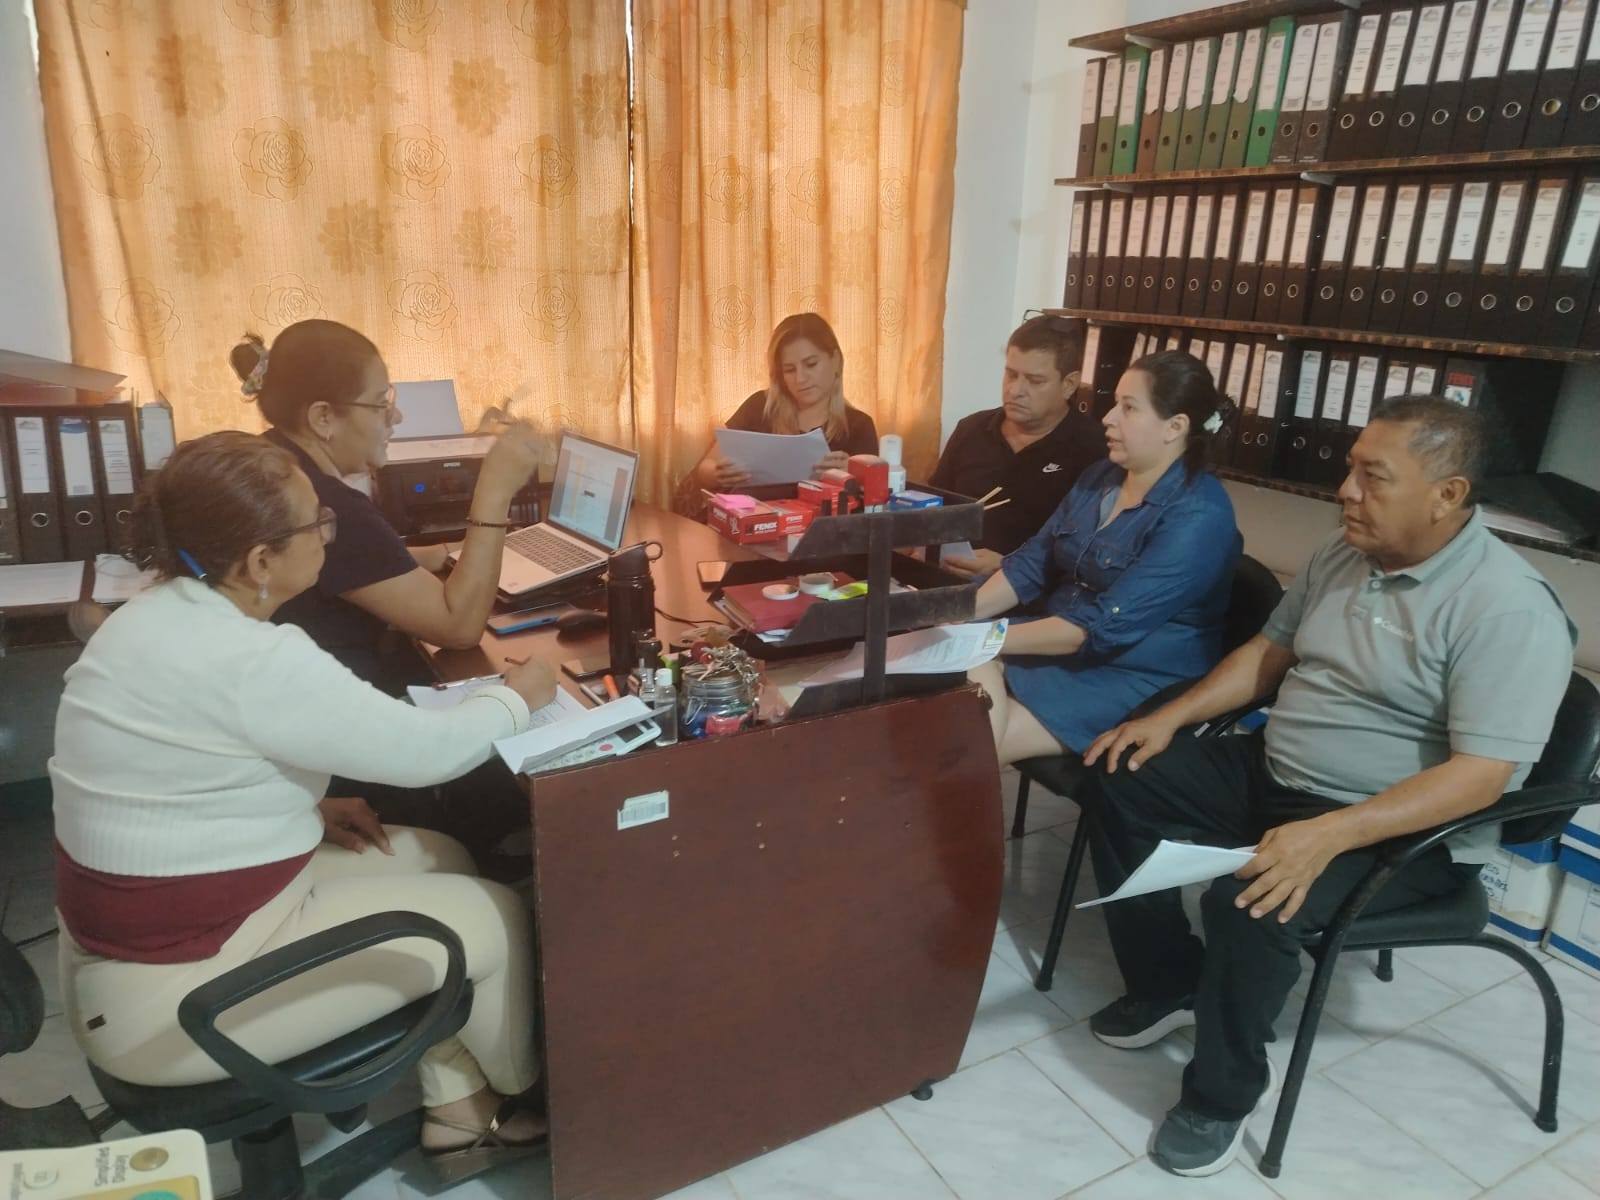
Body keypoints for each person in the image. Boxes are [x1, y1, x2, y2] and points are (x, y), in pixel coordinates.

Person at [1079, 395, 1576, 1179]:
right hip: (1276, 770)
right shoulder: (1344, 552)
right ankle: (1171, 981)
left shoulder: (1507, 607)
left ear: (1446, 494)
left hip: (1400, 829)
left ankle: (1218, 1098)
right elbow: (1267, 655)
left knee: (1249, 900)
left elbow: (1480, 777)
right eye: (1350, 469)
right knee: (1120, 772)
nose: (1346, 491)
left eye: (1374, 477)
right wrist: (1169, 719)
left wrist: (1332, 833)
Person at [50, 432, 558, 1174]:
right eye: (317, 522)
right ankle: (538, 1102)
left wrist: (306, 809)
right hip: (172, 1006)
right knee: (496, 916)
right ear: (261, 561)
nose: (329, 533)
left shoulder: (151, 615)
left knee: (438, 856)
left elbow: (171, 776)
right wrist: (519, 698)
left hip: (139, 950)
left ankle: (458, 1109)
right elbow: (429, 753)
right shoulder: (250, 658)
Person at [230, 320, 543, 694]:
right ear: (323, 417)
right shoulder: (326, 506)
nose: (396, 417)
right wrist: (494, 491)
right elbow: (459, 628)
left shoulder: (278, 459)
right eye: (380, 404)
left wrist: (441, 553)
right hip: (346, 704)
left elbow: (353, 562)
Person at [968, 350, 1241, 767]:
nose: (1108, 419)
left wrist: (980, 640)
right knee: (939, 710)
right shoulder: (1100, 477)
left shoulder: (1200, 516)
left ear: (1175, 427)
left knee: (952, 744)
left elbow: (1097, 629)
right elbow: (1032, 564)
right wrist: (959, 616)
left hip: (1128, 677)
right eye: (1115, 404)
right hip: (1059, 649)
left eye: (1128, 408)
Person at [930, 315, 1101, 577]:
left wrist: (1010, 567)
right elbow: (934, 507)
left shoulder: (1094, 449)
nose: (1015, 390)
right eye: (1011, 375)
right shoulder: (971, 429)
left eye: (1035, 381)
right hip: (946, 577)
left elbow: (1086, 554)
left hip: (1029, 590)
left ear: (1069, 384)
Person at [683, 312, 878, 499]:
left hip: (821, 521)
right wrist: (717, 474)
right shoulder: (759, 406)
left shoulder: (859, 426)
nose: (800, 379)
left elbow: (873, 499)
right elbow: (705, 467)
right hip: (751, 517)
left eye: (811, 364)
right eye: (789, 370)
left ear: (835, 360)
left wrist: (854, 475)